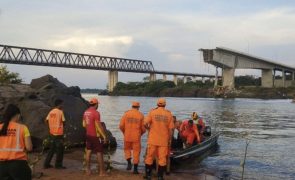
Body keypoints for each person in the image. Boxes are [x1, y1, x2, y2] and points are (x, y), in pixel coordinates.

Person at [144, 98, 174, 180]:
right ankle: (160, 177)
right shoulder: (169, 114)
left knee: (149, 157)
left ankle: (148, 175)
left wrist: (148, 129)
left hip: (152, 140)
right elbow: (171, 130)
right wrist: (170, 140)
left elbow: (145, 123)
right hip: (163, 141)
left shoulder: (152, 112)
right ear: (165, 105)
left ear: (157, 104)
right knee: (162, 159)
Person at [0, 104, 33, 180]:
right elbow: (29, 148)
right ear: (18, 115)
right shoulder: (23, 128)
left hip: (1, 166)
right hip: (19, 165)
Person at [83, 98, 108, 176]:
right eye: (98, 104)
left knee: (88, 151)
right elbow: (99, 126)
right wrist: (104, 136)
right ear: (96, 104)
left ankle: (88, 170)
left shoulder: (86, 112)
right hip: (95, 136)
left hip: (88, 134)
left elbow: (83, 124)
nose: (98, 106)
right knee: (99, 153)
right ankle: (102, 172)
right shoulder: (96, 113)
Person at [119, 101, 145, 174]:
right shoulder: (141, 115)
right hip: (136, 137)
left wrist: (124, 132)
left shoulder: (126, 114)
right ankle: (135, 170)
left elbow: (121, 126)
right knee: (136, 152)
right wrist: (140, 134)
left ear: (132, 106)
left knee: (127, 149)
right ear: (138, 107)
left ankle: (129, 163)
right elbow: (143, 129)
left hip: (127, 136)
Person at [44, 99, 66, 169]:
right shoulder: (60, 112)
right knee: (60, 150)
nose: (63, 105)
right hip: (59, 133)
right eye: (62, 104)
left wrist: (50, 126)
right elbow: (64, 122)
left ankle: (46, 164)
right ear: (59, 104)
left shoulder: (51, 112)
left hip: (52, 133)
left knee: (52, 149)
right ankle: (58, 165)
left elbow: (46, 120)